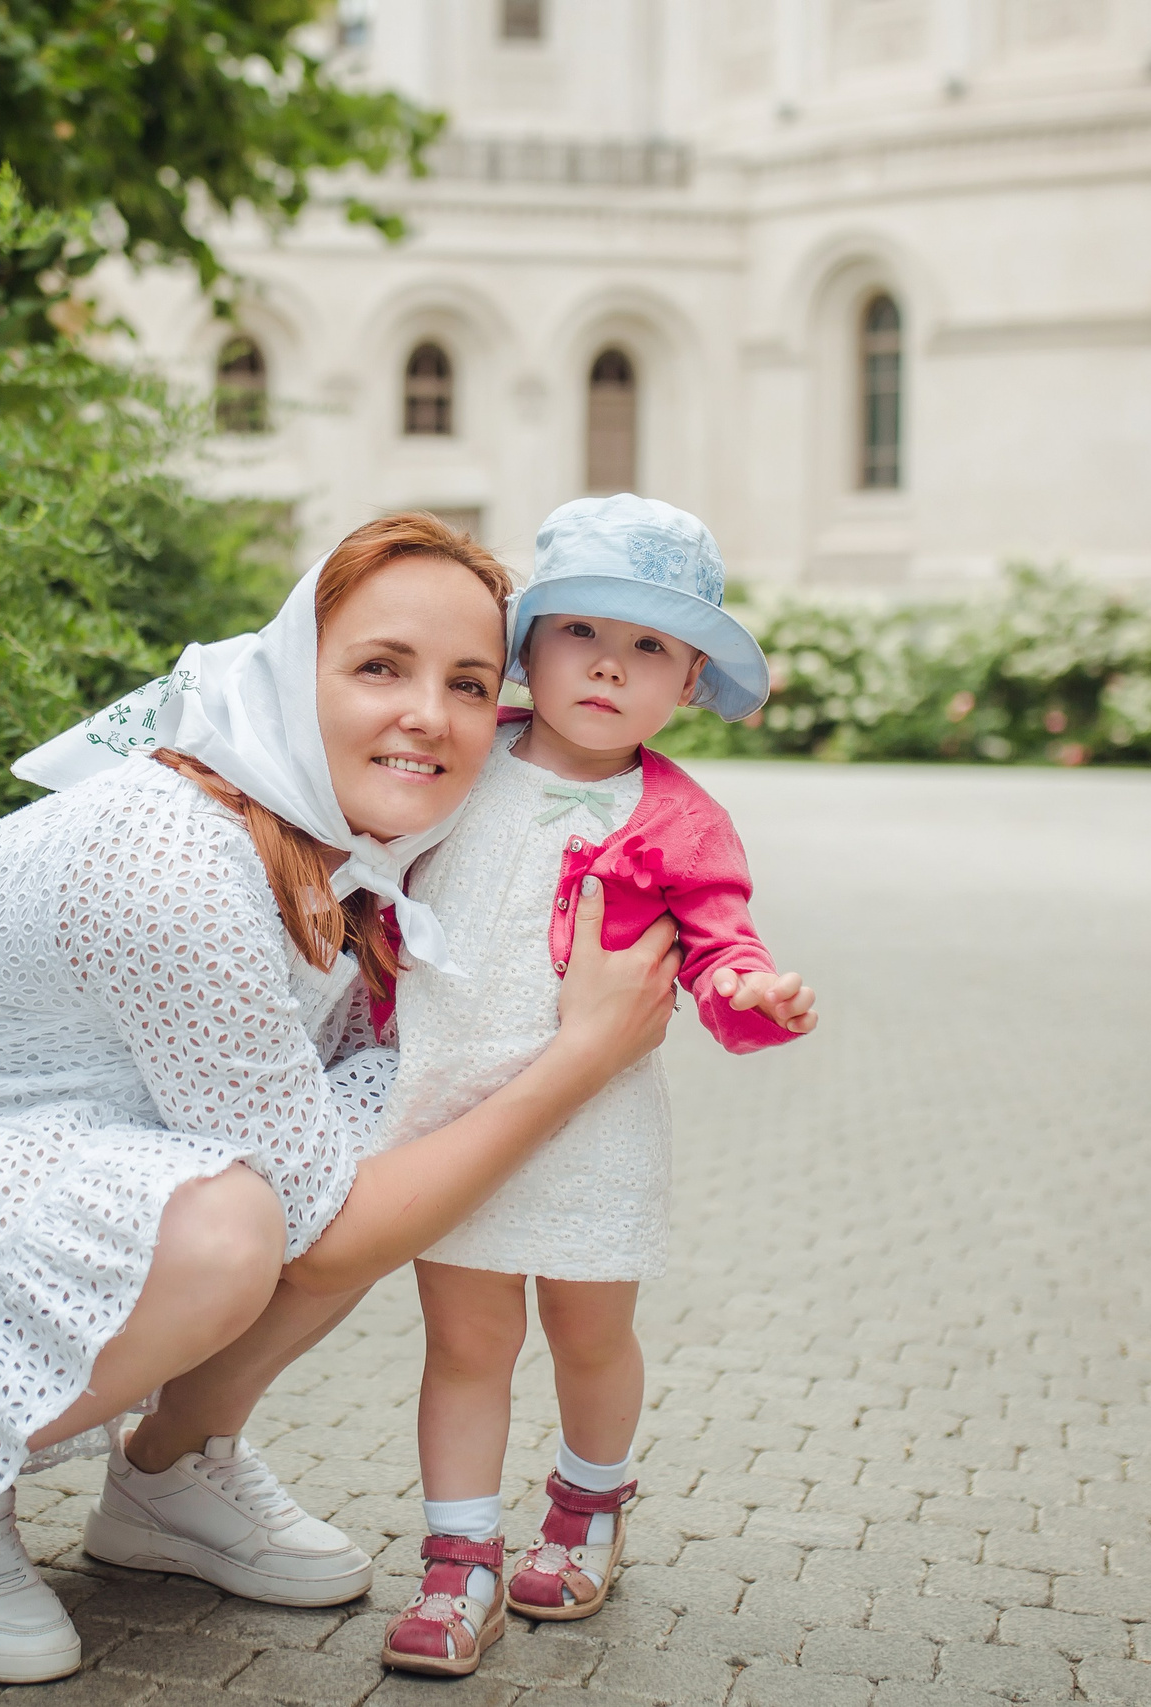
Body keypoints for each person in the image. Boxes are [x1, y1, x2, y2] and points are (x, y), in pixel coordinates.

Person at [0, 512, 688, 1684]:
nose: (429, 716)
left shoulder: (341, 844)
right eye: (379, 667)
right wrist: (581, 1060)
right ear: (291, 674)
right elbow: (334, 1233)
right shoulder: (171, 853)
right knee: (234, 1224)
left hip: (31, 1159)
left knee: (392, 1114)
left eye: (468, 683)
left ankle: (170, 1473)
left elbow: (353, 1160)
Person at [374, 495, 819, 1677]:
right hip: (451, 1109)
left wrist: (750, 990)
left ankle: (589, 1502)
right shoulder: (463, 756)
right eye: (581, 632)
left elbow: (718, 940)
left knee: (588, 1330)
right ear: (528, 647)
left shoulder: (679, 819)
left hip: (595, 1126)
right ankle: (458, 1562)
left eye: (649, 647)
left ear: (689, 683)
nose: (609, 666)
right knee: (465, 1342)